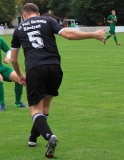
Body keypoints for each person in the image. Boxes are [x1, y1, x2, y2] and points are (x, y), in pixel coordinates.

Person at [10, 3, 105, 158]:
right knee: (45, 107)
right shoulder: (47, 21)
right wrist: (93, 34)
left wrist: (20, 75)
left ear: (24, 14)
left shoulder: (18, 29)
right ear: (38, 13)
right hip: (54, 66)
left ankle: (49, 137)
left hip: (35, 68)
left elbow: (13, 59)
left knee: (35, 110)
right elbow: (68, 34)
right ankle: (33, 138)